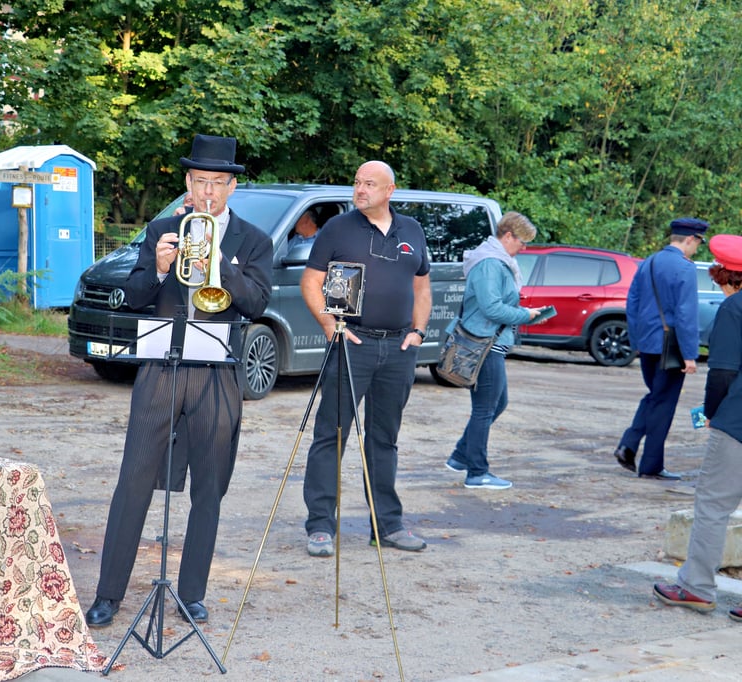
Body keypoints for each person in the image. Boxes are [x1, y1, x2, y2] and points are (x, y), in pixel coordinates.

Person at [84, 134, 273, 627]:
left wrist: (223, 266)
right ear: (187, 183)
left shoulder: (253, 241)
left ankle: (192, 593)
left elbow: (255, 303)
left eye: (217, 182)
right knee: (134, 480)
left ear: (231, 186)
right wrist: (162, 267)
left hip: (217, 373)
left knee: (210, 485)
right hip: (162, 367)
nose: (208, 191)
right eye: (200, 181)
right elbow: (136, 295)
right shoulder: (162, 228)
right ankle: (109, 594)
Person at [300, 160, 431, 558]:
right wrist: (329, 326)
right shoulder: (338, 229)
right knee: (331, 435)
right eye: (357, 182)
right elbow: (311, 281)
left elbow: (422, 288)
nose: (360, 190)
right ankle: (321, 526)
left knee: (384, 440)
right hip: (351, 343)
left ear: (390, 190)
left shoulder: (413, 230)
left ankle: (386, 526)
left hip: (398, 349)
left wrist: (417, 332)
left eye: (369, 184)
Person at [652, 234, 742, 618]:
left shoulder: (734, 309)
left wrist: (711, 412)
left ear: (726, 275)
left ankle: (696, 587)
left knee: (713, 506)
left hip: (737, 423)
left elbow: (722, 372)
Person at [443, 212, 543, 489]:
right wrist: (525, 314)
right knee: (485, 409)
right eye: (523, 242)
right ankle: (477, 472)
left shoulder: (498, 262)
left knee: (495, 404)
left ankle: (460, 457)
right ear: (508, 236)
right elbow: (491, 307)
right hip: (484, 342)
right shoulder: (490, 263)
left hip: (489, 341)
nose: (525, 248)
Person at [614, 217, 708, 480]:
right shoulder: (685, 268)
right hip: (672, 347)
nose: (697, 248)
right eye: (698, 243)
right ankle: (651, 465)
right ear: (690, 239)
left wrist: (636, 341)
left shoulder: (649, 262)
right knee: (663, 403)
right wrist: (690, 355)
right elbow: (686, 314)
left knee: (655, 397)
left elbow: (632, 303)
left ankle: (629, 446)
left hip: (647, 344)